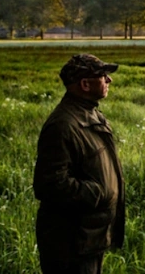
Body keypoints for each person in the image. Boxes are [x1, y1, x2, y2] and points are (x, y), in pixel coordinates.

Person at [33, 53, 125, 274]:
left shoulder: (88, 113)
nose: (109, 80)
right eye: (102, 76)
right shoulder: (63, 125)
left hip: (90, 236)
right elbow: (49, 184)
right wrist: (99, 193)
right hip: (71, 243)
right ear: (85, 84)